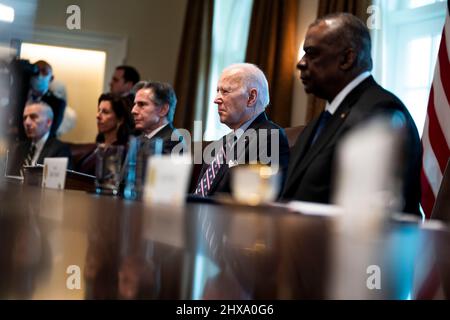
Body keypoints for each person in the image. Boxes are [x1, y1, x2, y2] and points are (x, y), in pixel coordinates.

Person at [280, 13, 421, 215]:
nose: (301, 63)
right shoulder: (323, 119)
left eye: (312, 53)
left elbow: (370, 218)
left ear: (347, 58)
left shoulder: (380, 114)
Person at [193, 63, 290, 197]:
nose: (216, 100)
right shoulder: (220, 145)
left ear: (251, 97)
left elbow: (255, 200)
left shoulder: (270, 137)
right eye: (217, 91)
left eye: (225, 91)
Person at [6, 101, 72, 176]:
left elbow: (61, 183)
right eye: (25, 118)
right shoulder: (19, 147)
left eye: (33, 117)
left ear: (48, 122)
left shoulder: (60, 149)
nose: (27, 122)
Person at [77, 93, 134, 176]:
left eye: (105, 112)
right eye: (98, 110)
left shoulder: (121, 151)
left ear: (120, 120)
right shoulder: (98, 146)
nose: (98, 116)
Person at [131, 81, 184, 154]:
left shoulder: (173, 142)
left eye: (142, 104)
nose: (133, 110)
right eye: (135, 104)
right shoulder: (139, 139)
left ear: (163, 110)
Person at [27, 60, 66, 138]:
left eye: (44, 72)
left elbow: (50, 130)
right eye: (37, 71)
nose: (39, 75)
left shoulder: (57, 103)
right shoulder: (19, 96)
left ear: (51, 78)